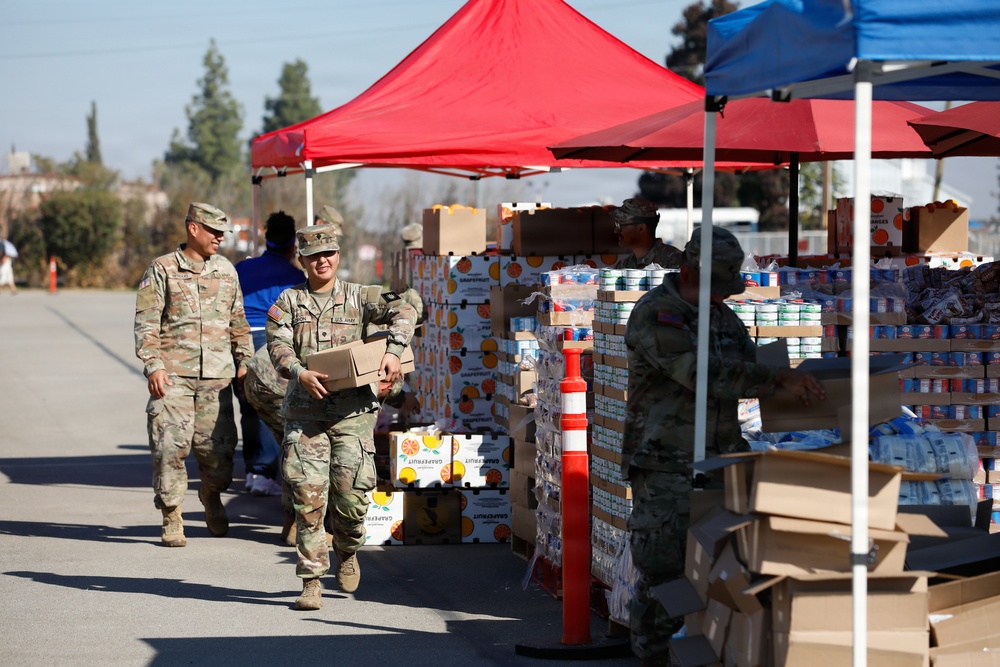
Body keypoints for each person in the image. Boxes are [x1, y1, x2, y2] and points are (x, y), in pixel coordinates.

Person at [621, 226, 825, 665]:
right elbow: (702, 375)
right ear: (692, 272)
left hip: (719, 458)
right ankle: (649, 654)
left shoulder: (721, 316)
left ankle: (698, 652)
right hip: (665, 461)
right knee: (666, 569)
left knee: (714, 564)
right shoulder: (658, 314)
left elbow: (749, 366)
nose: (726, 296)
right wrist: (776, 380)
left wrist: (807, 383)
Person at [267, 223, 415, 611]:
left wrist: (394, 350)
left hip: (352, 415)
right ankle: (311, 580)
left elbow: (406, 306)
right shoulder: (288, 301)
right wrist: (299, 372)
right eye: (314, 256)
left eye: (329, 253)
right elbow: (277, 345)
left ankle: (348, 551)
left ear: (338, 255)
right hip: (306, 414)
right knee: (308, 498)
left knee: (351, 502)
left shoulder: (359, 295)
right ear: (302, 260)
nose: (323, 261)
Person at [134, 202, 254, 548]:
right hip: (173, 377)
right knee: (169, 448)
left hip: (217, 379)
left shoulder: (227, 271)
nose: (219, 237)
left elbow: (239, 324)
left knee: (219, 454)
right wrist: (153, 365)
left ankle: (211, 495)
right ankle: (171, 515)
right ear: (193, 228)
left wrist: (245, 363)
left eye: (222, 232)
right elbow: (146, 324)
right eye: (213, 231)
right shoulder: (162, 269)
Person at [234, 211, 305, 497]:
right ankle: (264, 472)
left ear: (265, 237)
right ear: (292, 244)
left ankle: (254, 471)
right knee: (274, 406)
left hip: (238, 339)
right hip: (270, 339)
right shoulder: (295, 276)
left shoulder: (243, 269)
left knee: (248, 406)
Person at [611, 197, 683, 271]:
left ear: (641, 228)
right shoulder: (624, 265)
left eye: (620, 225)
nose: (616, 231)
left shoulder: (674, 260)